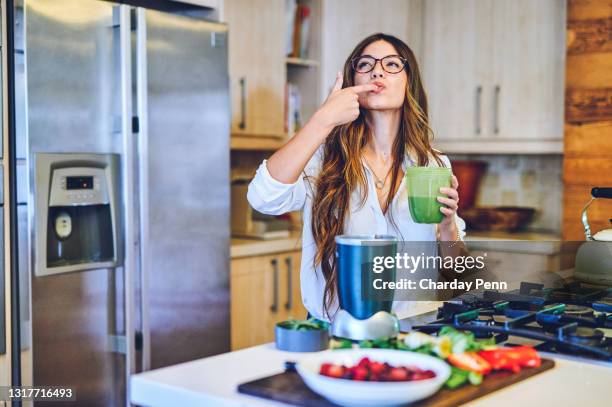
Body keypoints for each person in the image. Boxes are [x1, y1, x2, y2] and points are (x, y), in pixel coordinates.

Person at [247, 33, 466, 321]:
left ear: (408, 81)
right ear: (353, 82)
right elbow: (264, 198)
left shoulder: (432, 163)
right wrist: (323, 118)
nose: (377, 70)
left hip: (417, 330)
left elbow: (456, 274)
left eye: (391, 64)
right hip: (338, 333)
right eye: (365, 64)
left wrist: (448, 226)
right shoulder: (323, 158)